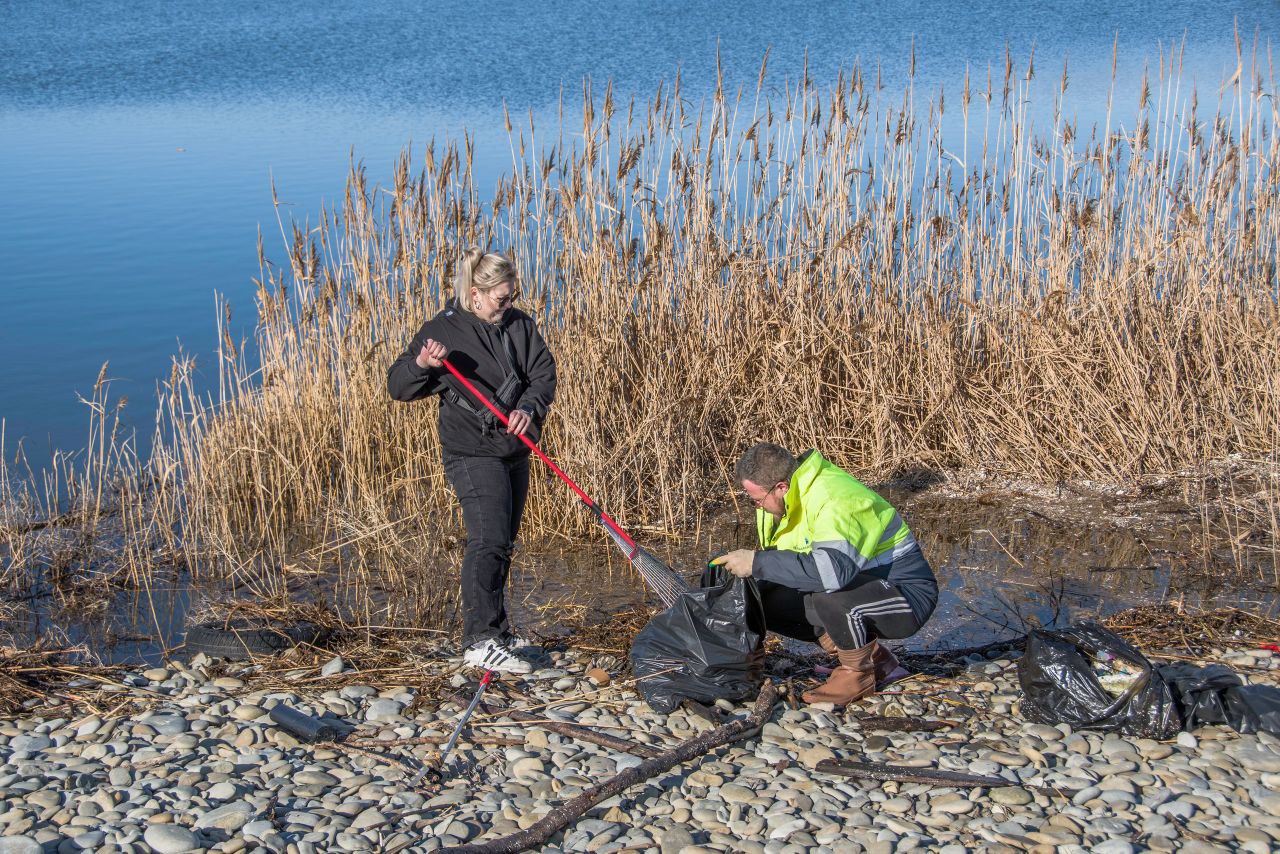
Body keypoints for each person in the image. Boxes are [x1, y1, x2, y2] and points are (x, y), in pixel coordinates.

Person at [387, 247, 556, 675]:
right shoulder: (444, 331)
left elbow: (543, 372)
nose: (508, 305)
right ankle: (478, 642)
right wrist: (424, 364)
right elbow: (398, 385)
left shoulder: (519, 325)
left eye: (511, 296)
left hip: (516, 449)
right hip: (471, 452)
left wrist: (529, 408)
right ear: (475, 294)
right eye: (502, 298)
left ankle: (497, 632)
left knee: (504, 541)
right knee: (487, 540)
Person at [713, 442, 938, 704]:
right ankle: (875, 659)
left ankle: (857, 676)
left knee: (829, 596)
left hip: (906, 595)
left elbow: (832, 573)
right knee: (763, 598)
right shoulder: (786, 500)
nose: (757, 507)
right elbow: (788, 563)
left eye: (757, 500)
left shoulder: (837, 498)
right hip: (861, 585)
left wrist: (757, 562)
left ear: (781, 487)